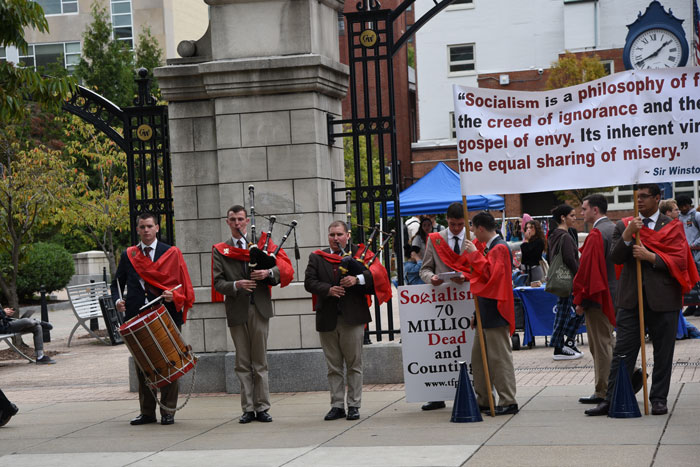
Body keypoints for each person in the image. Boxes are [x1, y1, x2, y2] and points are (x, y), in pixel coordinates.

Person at [586, 184, 699, 416]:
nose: (640, 201)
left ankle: (658, 398)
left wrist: (651, 257)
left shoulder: (673, 226)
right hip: (631, 299)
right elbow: (615, 257)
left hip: (664, 299)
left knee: (663, 352)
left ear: (658, 198)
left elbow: (679, 261)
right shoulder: (624, 225)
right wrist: (628, 235)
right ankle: (612, 397)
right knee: (623, 352)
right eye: (637, 197)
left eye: (645, 197)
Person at [111, 212, 195, 426]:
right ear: (138, 229)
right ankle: (147, 412)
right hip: (137, 315)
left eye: (149, 226)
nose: (146, 230)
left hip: (165, 315)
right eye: (142, 227)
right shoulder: (129, 255)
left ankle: (168, 411)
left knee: (169, 362)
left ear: (157, 228)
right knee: (142, 366)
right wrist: (118, 300)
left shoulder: (172, 253)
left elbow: (184, 287)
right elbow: (116, 284)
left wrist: (173, 296)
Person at [212, 205, 294, 424]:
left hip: (259, 308)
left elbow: (282, 267)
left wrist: (267, 272)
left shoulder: (262, 244)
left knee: (260, 361)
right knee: (242, 362)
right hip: (237, 309)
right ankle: (247, 408)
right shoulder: (221, 250)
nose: (237, 223)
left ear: (247, 221)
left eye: (240, 219)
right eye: (233, 219)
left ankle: (263, 407)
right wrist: (236, 284)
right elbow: (218, 283)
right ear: (227, 222)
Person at [304, 221, 391, 421]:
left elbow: (377, 275)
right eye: (332, 234)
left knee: (354, 364)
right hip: (328, 317)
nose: (335, 238)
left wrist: (357, 279)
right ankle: (336, 405)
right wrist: (328, 290)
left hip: (353, 317)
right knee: (333, 366)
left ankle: (353, 405)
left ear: (347, 235)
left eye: (339, 234)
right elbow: (309, 282)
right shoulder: (317, 257)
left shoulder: (360, 254)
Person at [462, 212, 519, 415]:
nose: (473, 234)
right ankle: (485, 399)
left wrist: (474, 255)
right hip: (486, 312)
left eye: (473, 229)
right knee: (479, 359)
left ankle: (508, 399)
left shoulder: (500, 248)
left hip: (496, 311)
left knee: (499, 358)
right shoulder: (493, 248)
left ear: (481, 228)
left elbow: (491, 278)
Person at [417, 202, 469, 411]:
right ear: (446, 221)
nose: (456, 228)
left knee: (468, 347)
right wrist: (433, 278)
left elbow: (481, 268)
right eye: (452, 224)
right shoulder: (435, 240)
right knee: (443, 350)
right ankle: (438, 395)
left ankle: (479, 391)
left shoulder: (473, 238)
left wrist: (466, 277)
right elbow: (424, 269)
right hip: (442, 303)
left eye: (459, 224)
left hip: (466, 300)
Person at [573, 194, 618, 406]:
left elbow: (588, 273)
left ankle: (604, 391)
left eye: (584, 209)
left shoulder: (597, 233)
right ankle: (617, 382)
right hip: (615, 293)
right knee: (607, 342)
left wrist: (581, 300)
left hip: (599, 298)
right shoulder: (615, 229)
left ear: (595, 210)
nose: (582, 213)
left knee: (600, 346)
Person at [548, 204, 584, 360]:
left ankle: (564, 343)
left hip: (561, 279)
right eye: (572, 216)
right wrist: (580, 276)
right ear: (563, 217)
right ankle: (560, 346)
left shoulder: (553, 235)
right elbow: (571, 260)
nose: (574, 219)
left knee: (564, 312)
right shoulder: (566, 236)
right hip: (568, 280)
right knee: (576, 310)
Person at [676, 195, 700, 317]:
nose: (683, 208)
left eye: (684, 205)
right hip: (685, 253)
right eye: (680, 206)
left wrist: (693, 244)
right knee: (689, 279)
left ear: (689, 204)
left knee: (699, 278)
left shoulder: (697, 216)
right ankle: (691, 305)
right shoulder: (679, 218)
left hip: (697, 253)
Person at [519, 220, 546, 285]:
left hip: (534, 270)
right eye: (527, 228)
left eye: (531, 228)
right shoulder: (529, 241)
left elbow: (529, 253)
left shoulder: (539, 241)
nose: (528, 230)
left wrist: (526, 240)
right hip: (526, 270)